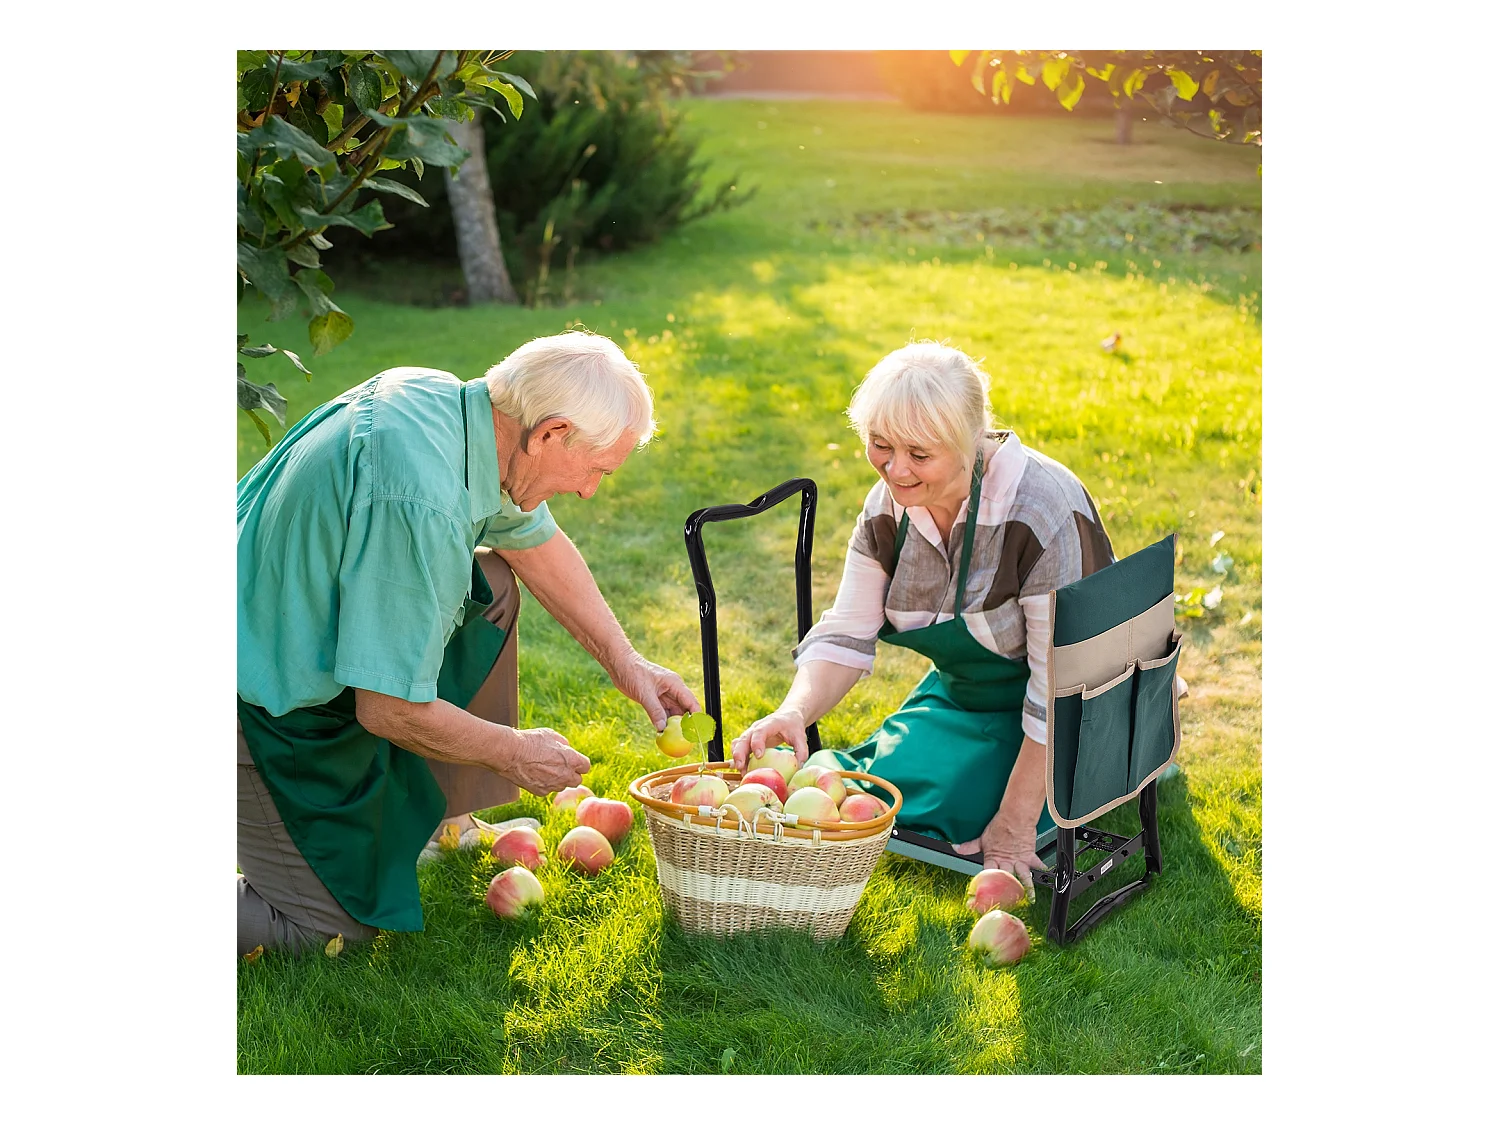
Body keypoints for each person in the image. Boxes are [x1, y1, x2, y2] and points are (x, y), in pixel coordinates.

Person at [237, 331, 698, 956]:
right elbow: (388, 708)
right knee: (325, 931)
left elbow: (536, 543)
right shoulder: (422, 499)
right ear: (551, 434)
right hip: (256, 694)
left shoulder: (453, 410)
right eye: (596, 470)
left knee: (495, 585)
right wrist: (511, 752)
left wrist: (627, 661)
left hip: (280, 623)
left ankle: (445, 823)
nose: (591, 490)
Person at [731, 342, 1116, 897]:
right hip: (963, 698)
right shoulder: (888, 506)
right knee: (879, 789)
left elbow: (1062, 687)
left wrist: (1011, 826)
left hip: (1072, 710)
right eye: (880, 446)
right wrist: (794, 711)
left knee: (964, 808)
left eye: (919, 453)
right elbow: (847, 631)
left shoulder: (1039, 510)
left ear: (968, 441)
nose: (895, 469)